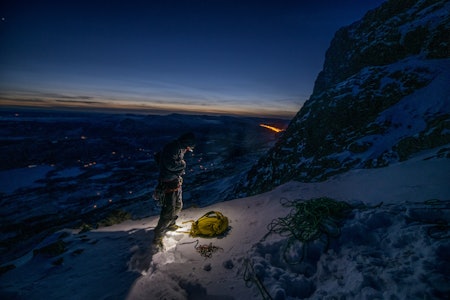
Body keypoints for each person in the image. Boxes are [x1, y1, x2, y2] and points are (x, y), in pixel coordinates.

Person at [152, 132, 196, 253]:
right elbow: (170, 164)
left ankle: (171, 224)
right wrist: (182, 164)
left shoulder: (178, 148)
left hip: (174, 180)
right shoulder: (172, 148)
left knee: (178, 205)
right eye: (188, 148)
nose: (187, 151)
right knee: (169, 210)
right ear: (186, 144)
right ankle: (158, 236)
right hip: (168, 182)